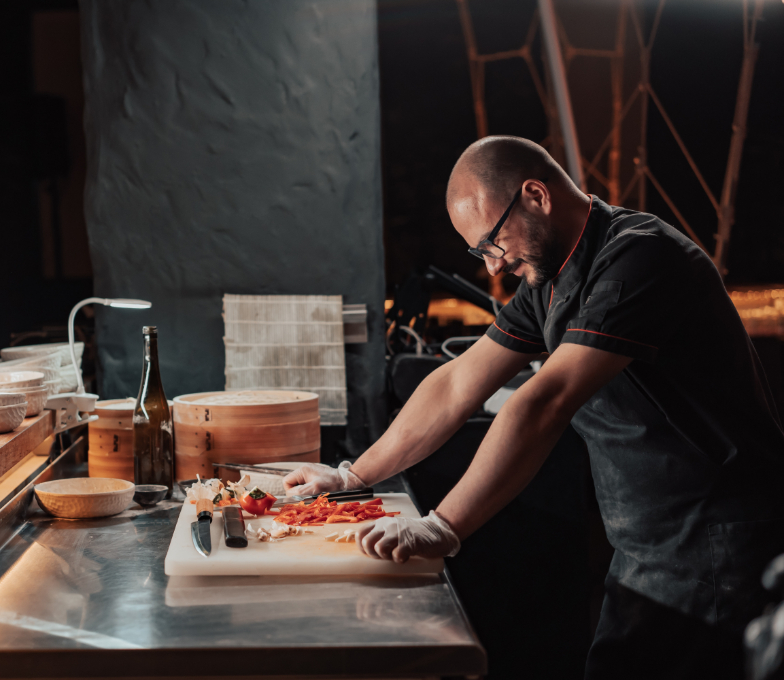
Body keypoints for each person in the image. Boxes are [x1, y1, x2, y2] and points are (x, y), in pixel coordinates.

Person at [284, 136, 784, 679]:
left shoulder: (641, 257)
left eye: (493, 244)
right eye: (481, 254)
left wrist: (443, 526)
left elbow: (545, 401)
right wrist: (352, 475)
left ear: (536, 196)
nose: (495, 267)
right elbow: (457, 382)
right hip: (648, 544)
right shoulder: (550, 279)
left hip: (719, 544)